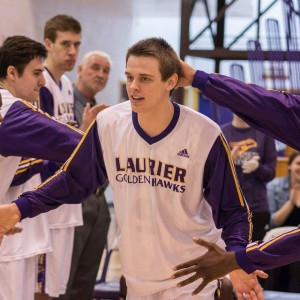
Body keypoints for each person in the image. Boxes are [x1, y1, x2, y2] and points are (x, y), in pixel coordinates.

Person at [0, 37, 264, 300]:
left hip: (193, 281)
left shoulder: (205, 133)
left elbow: (234, 211)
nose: (134, 87)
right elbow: (73, 180)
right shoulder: (109, 123)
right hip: (137, 279)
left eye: (145, 79)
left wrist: (236, 257)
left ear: (170, 81)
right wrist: (19, 209)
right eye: (130, 77)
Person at [168, 59, 300, 295]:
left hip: (255, 205)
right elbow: (275, 106)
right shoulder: (221, 131)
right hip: (222, 210)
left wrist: (239, 259)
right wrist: (240, 260)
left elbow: (277, 108)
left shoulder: (262, 135)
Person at [0, 35, 83, 300]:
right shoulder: (10, 109)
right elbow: (73, 143)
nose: (42, 80)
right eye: (36, 72)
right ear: (11, 72)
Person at [57, 51, 111, 300]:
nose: (100, 74)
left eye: (106, 70)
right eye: (95, 68)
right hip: (74, 198)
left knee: (86, 283)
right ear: (79, 70)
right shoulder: (65, 105)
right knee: (63, 281)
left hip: (100, 201)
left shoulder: (105, 112)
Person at [37, 14, 83, 299]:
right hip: (46, 197)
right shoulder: (41, 85)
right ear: (48, 44)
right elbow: (44, 145)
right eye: (65, 44)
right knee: (40, 284)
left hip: (68, 195)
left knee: (56, 285)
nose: (72, 51)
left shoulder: (66, 83)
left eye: (77, 44)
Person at [222, 114, 277, 241]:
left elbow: (271, 173)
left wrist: (257, 168)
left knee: (254, 255)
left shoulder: (264, 134)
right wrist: (229, 162)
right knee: (230, 253)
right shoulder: (221, 133)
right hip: (229, 207)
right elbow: (213, 175)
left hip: (257, 208)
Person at [260, 150, 300, 292]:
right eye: (298, 164)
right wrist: (291, 202)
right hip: (278, 236)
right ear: (289, 166)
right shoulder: (274, 186)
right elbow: (272, 222)